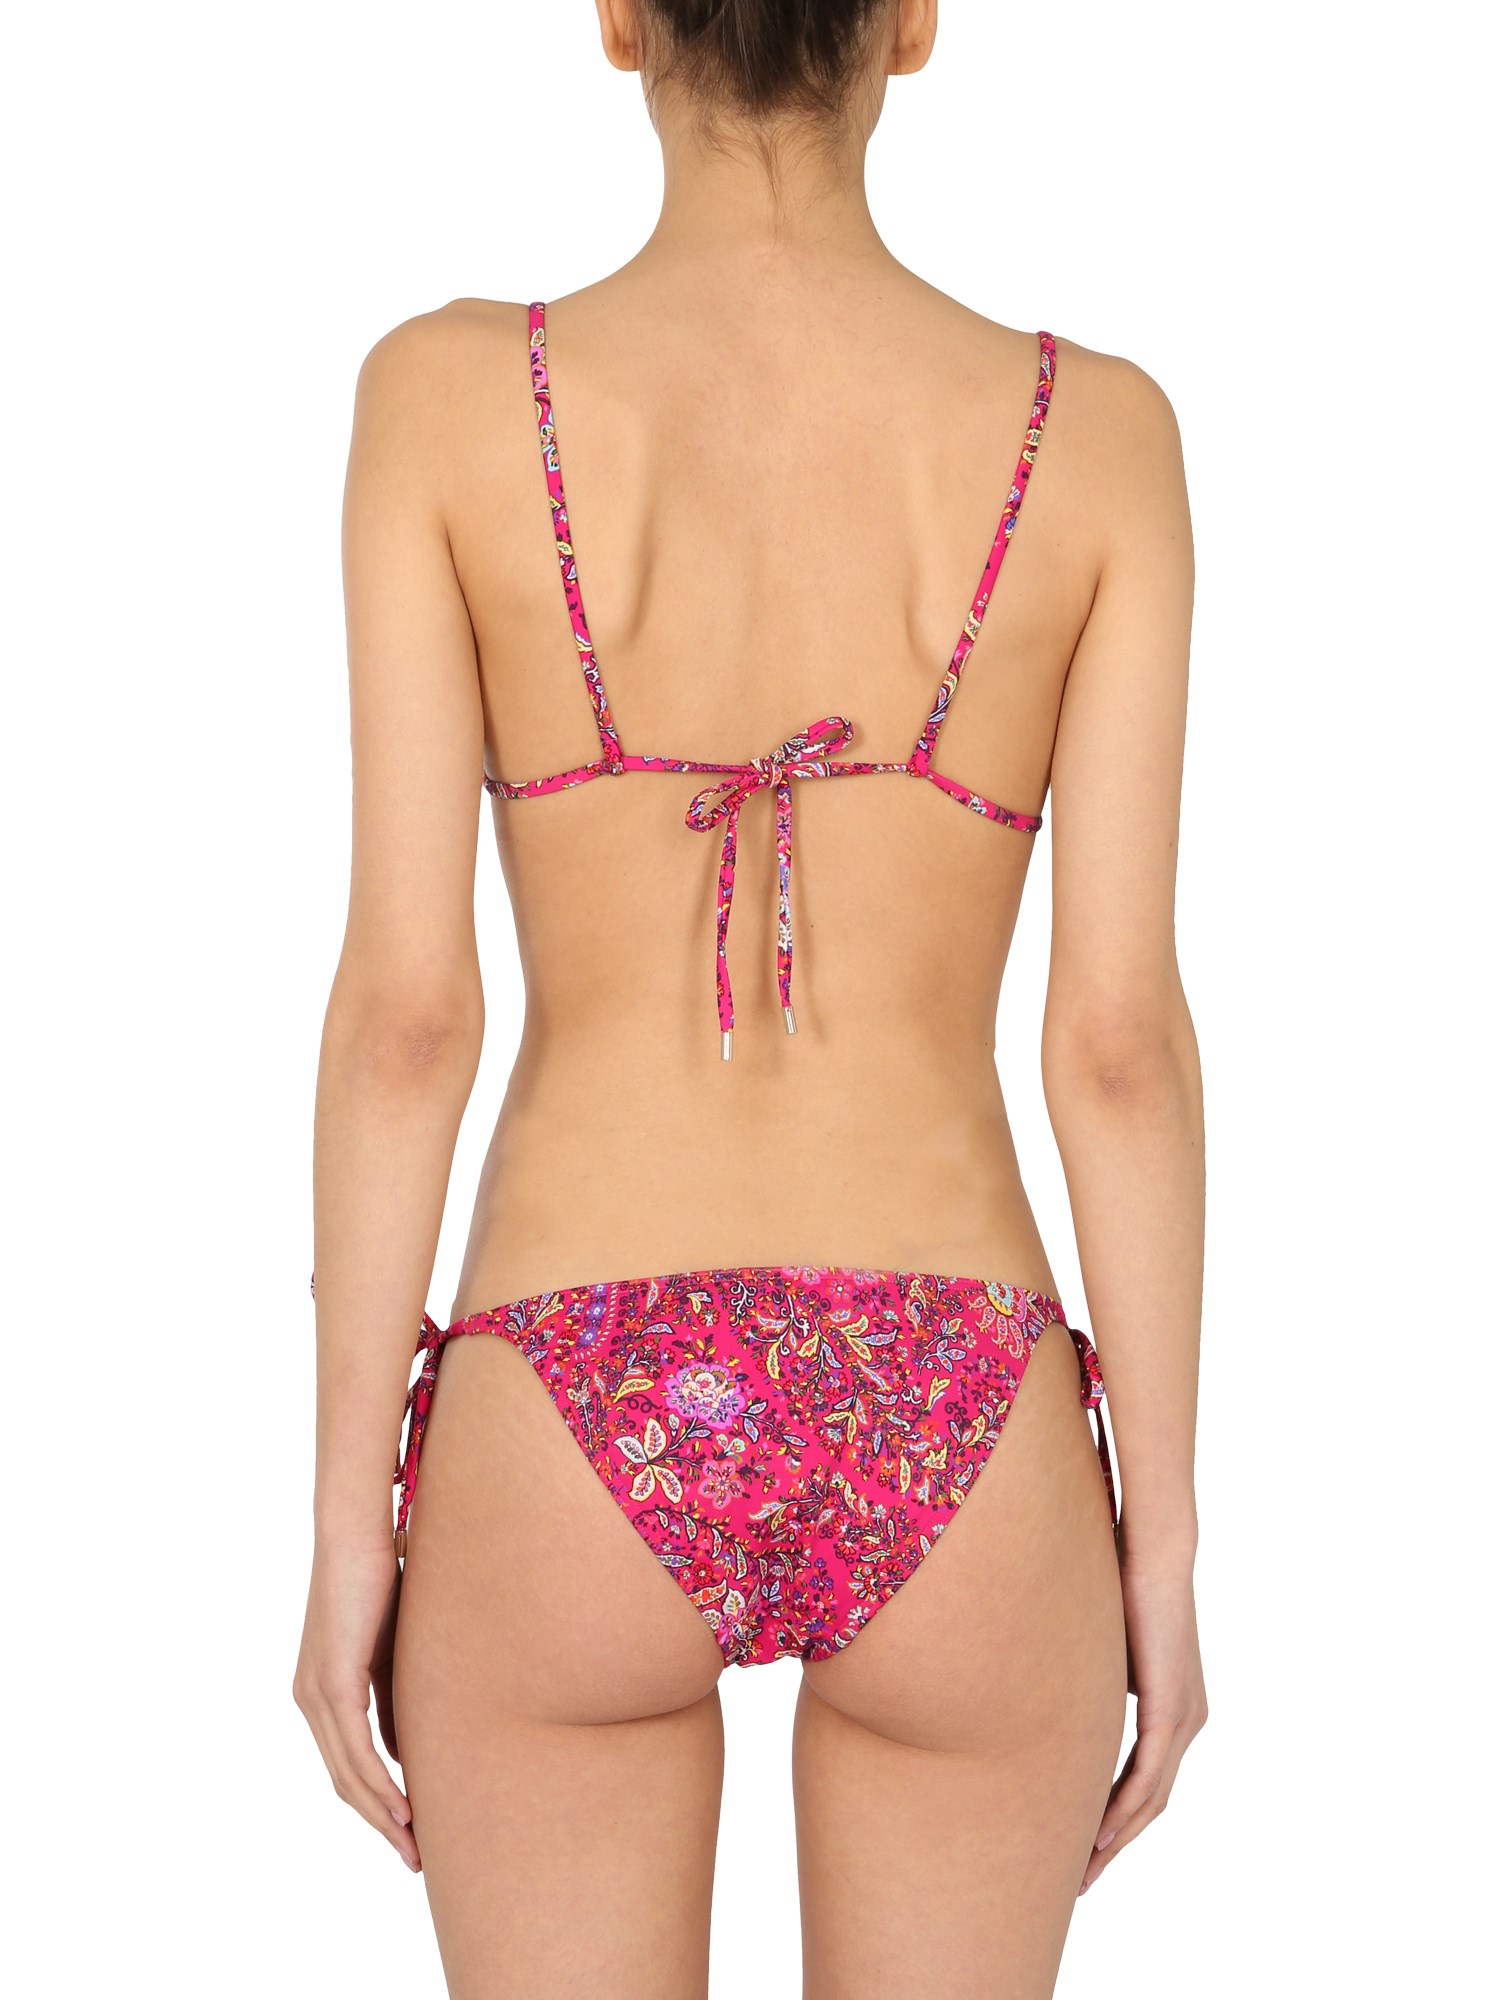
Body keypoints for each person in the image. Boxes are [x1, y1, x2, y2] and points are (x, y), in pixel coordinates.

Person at [293, 1, 1207, 1991]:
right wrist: (1162, 1541)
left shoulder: (448, 402)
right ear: (915, 24)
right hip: (956, 1399)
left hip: (568, 1393)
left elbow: (406, 1019)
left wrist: (352, 1512)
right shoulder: (1097, 436)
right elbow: (1118, 1050)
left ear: (621, 22)